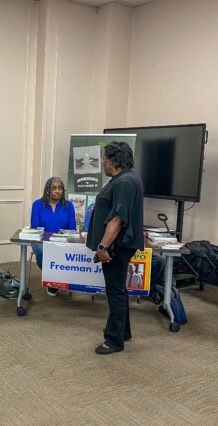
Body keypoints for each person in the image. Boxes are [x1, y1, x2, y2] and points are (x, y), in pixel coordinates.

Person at [87, 141, 144, 355]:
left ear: (112, 160)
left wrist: (103, 246)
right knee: (119, 289)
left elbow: (117, 219)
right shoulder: (124, 179)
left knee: (115, 292)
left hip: (116, 247)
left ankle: (113, 340)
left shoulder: (125, 182)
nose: (102, 162)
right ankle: (123, 332)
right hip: (117, 246)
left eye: (104, 159)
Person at [30, 177, 76, 296]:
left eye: (60, 188)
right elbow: (35, 227)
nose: (57, 191)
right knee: (42, 251)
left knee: (65, 252)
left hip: (63, 240)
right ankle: (52, 278)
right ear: (48, 190)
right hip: (42, 241)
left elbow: (72, 228)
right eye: (54, 188)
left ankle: (57, 280)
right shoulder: (37, 204)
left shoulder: (69, 205)